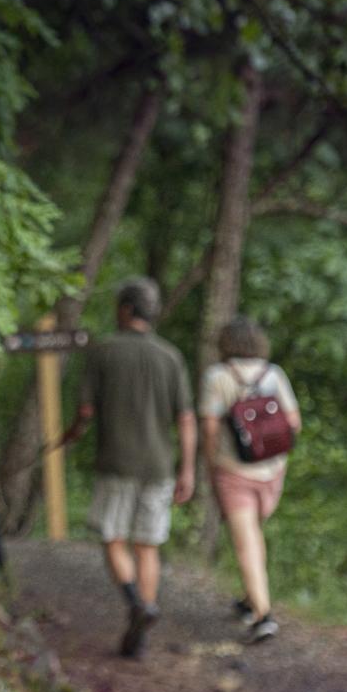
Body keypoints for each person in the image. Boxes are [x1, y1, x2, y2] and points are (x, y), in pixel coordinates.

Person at [65, 277, 197, 658]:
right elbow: (185, 418)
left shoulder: (103, 351)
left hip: (116, 463)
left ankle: (135, 601)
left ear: (125, 309)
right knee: (148, 546)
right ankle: (143, 621)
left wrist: (72, 433)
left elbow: (86, 412)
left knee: (113, 538)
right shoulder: (171, 357)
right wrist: (187, 470)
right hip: (159, 467)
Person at [199, 316, 301, 644]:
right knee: (254, 537)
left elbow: (210, 427)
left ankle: (263, 615)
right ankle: (251, 599)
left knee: (247, 542)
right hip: (272, 469)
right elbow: (294, 423)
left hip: (234, 470)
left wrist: (210, 462)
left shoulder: (218, 377)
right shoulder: (274, 374)